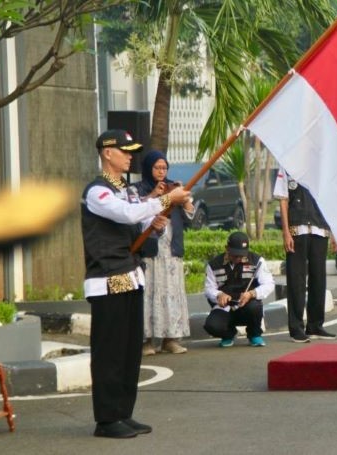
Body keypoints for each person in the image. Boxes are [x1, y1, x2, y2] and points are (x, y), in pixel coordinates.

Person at [81, 129, 190, 439]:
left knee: (129, 353)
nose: (130, 156)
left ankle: (123, 413)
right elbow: (126, 215)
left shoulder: (126, 189)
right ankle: (106, 419)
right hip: (107, 280)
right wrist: (165, 199)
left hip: (130, 276)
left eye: (132, 151)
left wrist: (153, 225)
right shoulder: (96, 191)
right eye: (125, 151)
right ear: (107, 153)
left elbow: (136, 224)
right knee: (109, 354)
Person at [133, 150, 194, 356]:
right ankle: (147, 341)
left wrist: (183, 197)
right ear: (148, 168)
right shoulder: (138, 188)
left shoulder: (174, 188)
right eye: (157, 167)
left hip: (171, 250)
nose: (161, 172)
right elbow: (133, 212)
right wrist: (153, 197)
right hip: (150, 252)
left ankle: (171, 338)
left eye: (164, 168)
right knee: (151, 294)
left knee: (172, 293)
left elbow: (190, 218)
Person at [273, 167, 337, 342]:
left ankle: (315, 325)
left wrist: (335, 233)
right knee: (296, 280)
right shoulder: (286, 165)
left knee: (318, 279)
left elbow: (329, 201)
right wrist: (286, 232)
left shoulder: (321, 165)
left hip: (320, 228)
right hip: (297, 228)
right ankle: (296, 328)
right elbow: (283, 200)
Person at [203, 231, 275, 347]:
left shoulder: (257, 261)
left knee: (255, 307)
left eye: (242, 255)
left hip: (247, 305)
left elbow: (269, 284)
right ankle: (228, 334)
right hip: (225, 308)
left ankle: (254, 334)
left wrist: (252, 293)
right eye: (235, 255)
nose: (239, 258)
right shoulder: (213, 264)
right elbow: (208, 289)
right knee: (212, 326)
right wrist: (219, 294)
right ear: (227, 248)